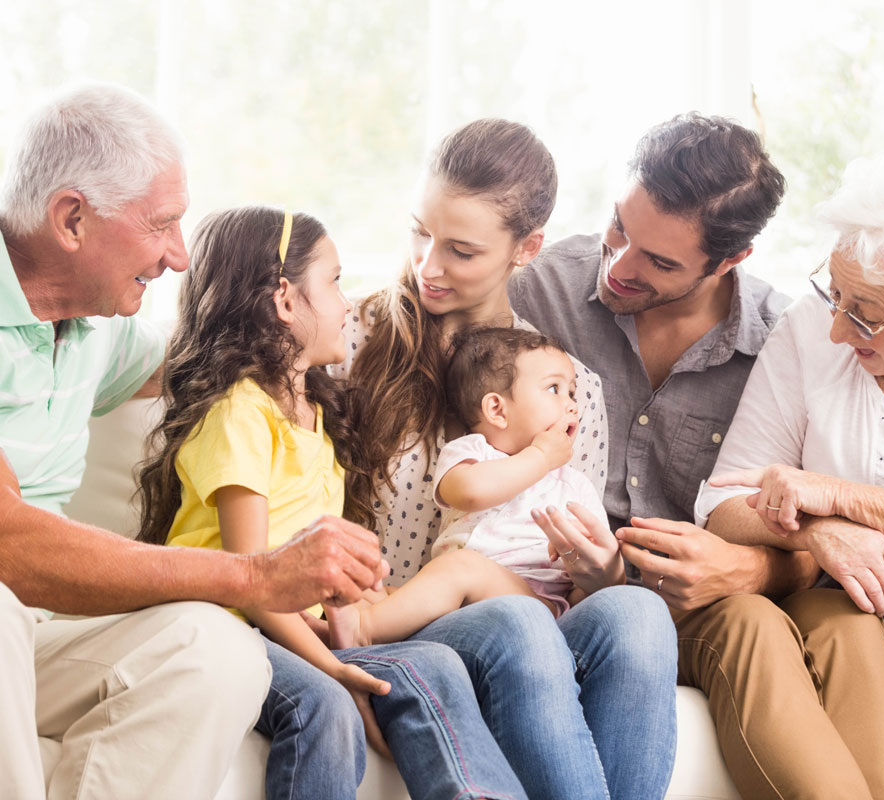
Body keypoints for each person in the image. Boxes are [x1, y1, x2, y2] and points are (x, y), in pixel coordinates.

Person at [0, 83, 390, 800]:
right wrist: (255, 576)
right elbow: (8, 542)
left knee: (222, 652)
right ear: (71, 218)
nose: (179, 257)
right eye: (162, 225)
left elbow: (218, 346)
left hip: (42, 633)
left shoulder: (95, 330)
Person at [510, 112, 884, 799]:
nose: (621, 265)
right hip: (600, 603)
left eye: (660, 262)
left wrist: (752, 566)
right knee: (748, 619)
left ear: (731, 261)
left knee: (847, 617)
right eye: (619, 228)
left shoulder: (780, 344)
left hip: (715, 590)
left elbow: (807, 528)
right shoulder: (538, 288)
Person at [336, 118, 678, 800]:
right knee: (517, 622)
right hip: (408, 620)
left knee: (640, 614)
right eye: (419, 233)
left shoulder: (566, 384)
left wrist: (601, 570)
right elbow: (294, 510)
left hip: (528, 615)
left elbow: (581, 586)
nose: (427, 266)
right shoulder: (345, 340)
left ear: (527, 248)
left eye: (460, 250)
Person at [137, 205, 528, 800]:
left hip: (297, 622)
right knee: (326, 708)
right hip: (233, 620)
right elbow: (251, 580)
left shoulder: (316, 415)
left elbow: (314, 562)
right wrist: (336, 669)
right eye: (336, 282)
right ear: (286, 301)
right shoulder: (241, 412)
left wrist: (352, 630)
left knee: (437, 665)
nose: (349, 304)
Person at [700, 150, 884, 800]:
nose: (837, 328)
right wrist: (817, 531)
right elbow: (721, 503)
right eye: (832, 291)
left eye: (863, 312)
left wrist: (841, 497)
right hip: (858, 616)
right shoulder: (810, 334)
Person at [330, 326, 608, 648]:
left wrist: (586, 561)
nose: (572, 405)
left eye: (572, 393)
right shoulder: (470, 452)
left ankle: (363, 631)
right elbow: (469, 492)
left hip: (537, 603)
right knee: (378, 589)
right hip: (461, 600)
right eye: (554, 389)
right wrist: (541, 457)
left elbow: (597, 565)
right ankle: (355, 624)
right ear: (497, 410)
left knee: (459, 568)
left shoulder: (574, 484)